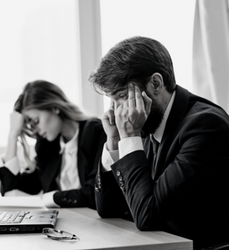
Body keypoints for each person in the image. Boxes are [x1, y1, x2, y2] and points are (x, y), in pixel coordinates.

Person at [88, 36, 229, 249]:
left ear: (155, 83)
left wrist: (130, 137)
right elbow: (109, 209)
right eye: (112, 100)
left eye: (123, 96)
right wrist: (115, 141)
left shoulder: (205, 126)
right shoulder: (146, 122)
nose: (118, 112)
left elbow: (147, 216)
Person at [0, 80, 106, 209]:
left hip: (97, 223)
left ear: (54, 107)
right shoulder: (48, 146)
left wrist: (47, 198)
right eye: (30, 127)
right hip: (69, 221)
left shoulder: (97, 131)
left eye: (35, 121)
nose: (35, 130)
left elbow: (94, 192)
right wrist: (12, 135)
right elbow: (12, 193)